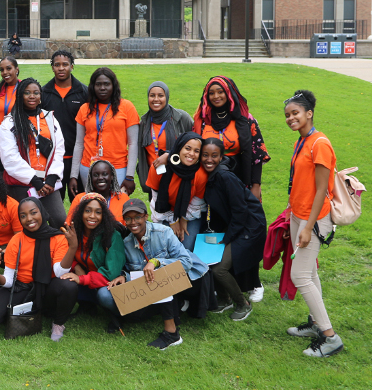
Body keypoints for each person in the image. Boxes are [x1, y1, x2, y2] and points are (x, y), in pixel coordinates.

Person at [193, 75, 270, 302]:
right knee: (220, 230)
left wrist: (255, 186)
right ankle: (225, 282)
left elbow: (256, 155)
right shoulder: (202, 121)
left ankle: (254, 282)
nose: (216, 96)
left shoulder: (246, 119)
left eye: (221, 92)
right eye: (212, 93)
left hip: (241, 180)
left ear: (230, 94)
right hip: (213, 183)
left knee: (246, 232)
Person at [282, 90, 343, 357]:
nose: (291, 118)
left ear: (309, 113)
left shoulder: (320, 143)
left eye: (295, 113)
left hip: (314, 220)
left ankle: (330, 337)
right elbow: (300, 182)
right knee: (310, 273)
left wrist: (307, 227)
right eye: (287, 115)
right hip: (299, 214)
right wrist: (292, 210)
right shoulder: (303, 140)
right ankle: (317, 324)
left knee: (300, 275)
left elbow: (321, 190)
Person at [0, 197, 79, 341]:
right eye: (23, 216)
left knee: (68, 285)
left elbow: (59, 272)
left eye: (33, 213)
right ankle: (24, 310)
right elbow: (9, 281)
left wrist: (73, 247)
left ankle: (58, 323)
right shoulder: (17, 239)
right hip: (22, 287)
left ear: (42, 212)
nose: (29, 219)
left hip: (48, 288)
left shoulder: (58, 238)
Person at [121, 198, 209, 350]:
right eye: (128, 218)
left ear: (146, 216)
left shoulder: (164, 232)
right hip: (166, 286)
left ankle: (172, 333)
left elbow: (186, 263)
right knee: (133, 316)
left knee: (158, 275)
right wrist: (123, 276)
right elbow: (131, 271)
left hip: (193, 280)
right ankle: (178, 304)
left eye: (137, 217)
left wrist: (157, 262)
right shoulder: (127, 243)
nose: (132, 222)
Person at [201, 138, 266, 322]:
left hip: (249, 228)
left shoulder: (225, 177)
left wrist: (227, 238)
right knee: (210, 262)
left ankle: (242, 304)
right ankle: (225, 299)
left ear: (221, 157)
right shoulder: (211, 175)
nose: (209, 159)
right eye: (205, 155)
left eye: (214, 155)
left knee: (219, 269)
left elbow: (241, 210)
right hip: (235, 226)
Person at [0, 78, 67, 229]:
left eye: (36, 93)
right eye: (27, 93)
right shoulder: (9, 123)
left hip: (48, 183)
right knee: (27, 224)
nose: (32, 96)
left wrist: (51, 179)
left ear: (40, 96)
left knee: (60, 219)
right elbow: (10, 158)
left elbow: (58, 149)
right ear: (20, 95)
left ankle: (57, 251)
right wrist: (35, 181)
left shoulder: (49, 118)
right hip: (22, 183)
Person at [59, 193, 128, 333]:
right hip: (87, 276)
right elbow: (62, 253)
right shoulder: (75, 232)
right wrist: (76, 267)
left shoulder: (112, 236)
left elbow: (111, 273)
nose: (92, 216)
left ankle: (121, 314)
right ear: (80, 212)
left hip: (109, 282)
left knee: (104, 295)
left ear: (104, 216)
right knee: (63, 278)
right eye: (88, 210)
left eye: (98, 212)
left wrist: (82, 279)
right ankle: (86, 306)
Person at [70, 68, 139, 198]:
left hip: (117, 168)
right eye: (98, 84)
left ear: (113, 85)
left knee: (115, 210)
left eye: (106, 84)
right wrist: (73, 175)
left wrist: (129, 176)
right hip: (88, 168)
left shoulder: (127, 107)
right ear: (92, 86)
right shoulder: (84, 109)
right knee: (93, 207)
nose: (102, 88)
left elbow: (133, 144)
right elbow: (79, 144)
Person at [146, 132, 208, 252]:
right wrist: (174, 221)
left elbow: (197, 204)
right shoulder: (159, 167)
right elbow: (156, 199)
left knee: (187, 247)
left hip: (190, 213)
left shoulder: (200, 173)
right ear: (179, 147)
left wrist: (183, 219)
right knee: (164, 246)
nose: (191, 154)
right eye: (187, 148)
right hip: (163, 212)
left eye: (196, 151)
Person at [40, 51, 89, 202]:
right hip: (53, 160)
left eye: (65, 64)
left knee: (80, 203)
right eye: (57, 65)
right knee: (54, 206)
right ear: (52, 67)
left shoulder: (84, 92)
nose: (61, 68)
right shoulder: (44, 93)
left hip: (78, 159)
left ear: (72, 67)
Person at [137, 81, 193, 198]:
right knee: (158, 214)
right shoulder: (144, 123)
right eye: (152, 95)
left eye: (160, 95)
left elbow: (195, 145)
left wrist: (170, 155)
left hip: (178, 178)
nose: (156, 99)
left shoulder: (181, 118)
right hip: (155, 180)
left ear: (166, 97)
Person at [65, 160, 129, 225]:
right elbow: (69, 225)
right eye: (96, 175)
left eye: (105, 174)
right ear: (91, 178)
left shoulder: (123, 198)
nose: (100, 178)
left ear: (112, 176)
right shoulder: (80, 198)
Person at [0, 56, 20, 133]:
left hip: (17, 138)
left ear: (16, 70)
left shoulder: (24, 88)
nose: (4, 72)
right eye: (2, 70)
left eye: (8, 68)